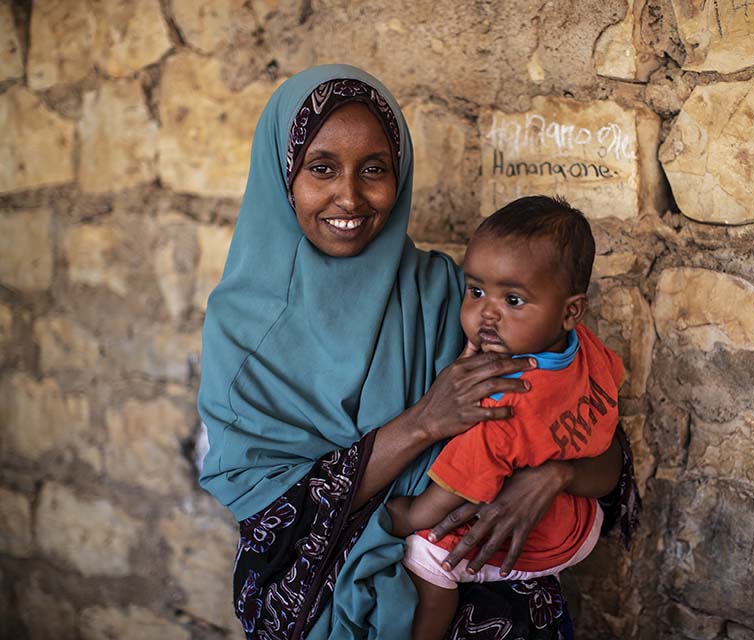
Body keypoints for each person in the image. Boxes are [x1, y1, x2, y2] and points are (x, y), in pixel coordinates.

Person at [197, 64, 635, 640]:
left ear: (399, 176)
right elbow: (271, 512)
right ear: (282, 176)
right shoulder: (242, 328)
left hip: (493, 599)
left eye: (373, 169)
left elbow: (599, 450)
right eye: (321, 168)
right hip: (317, 604)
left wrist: (554, 475)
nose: (348, 196)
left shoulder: (453, 298)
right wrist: (425, 422)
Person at [387, 196, 624, 640]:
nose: (486, 314)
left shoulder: (502, 400)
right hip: (583, 521)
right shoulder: (588, 349)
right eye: (476, 291)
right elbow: (611, 390)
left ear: (571, 311)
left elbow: (452, 490)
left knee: (424, 554)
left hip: (533, 542)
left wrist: (407, 516)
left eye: (513, 299)